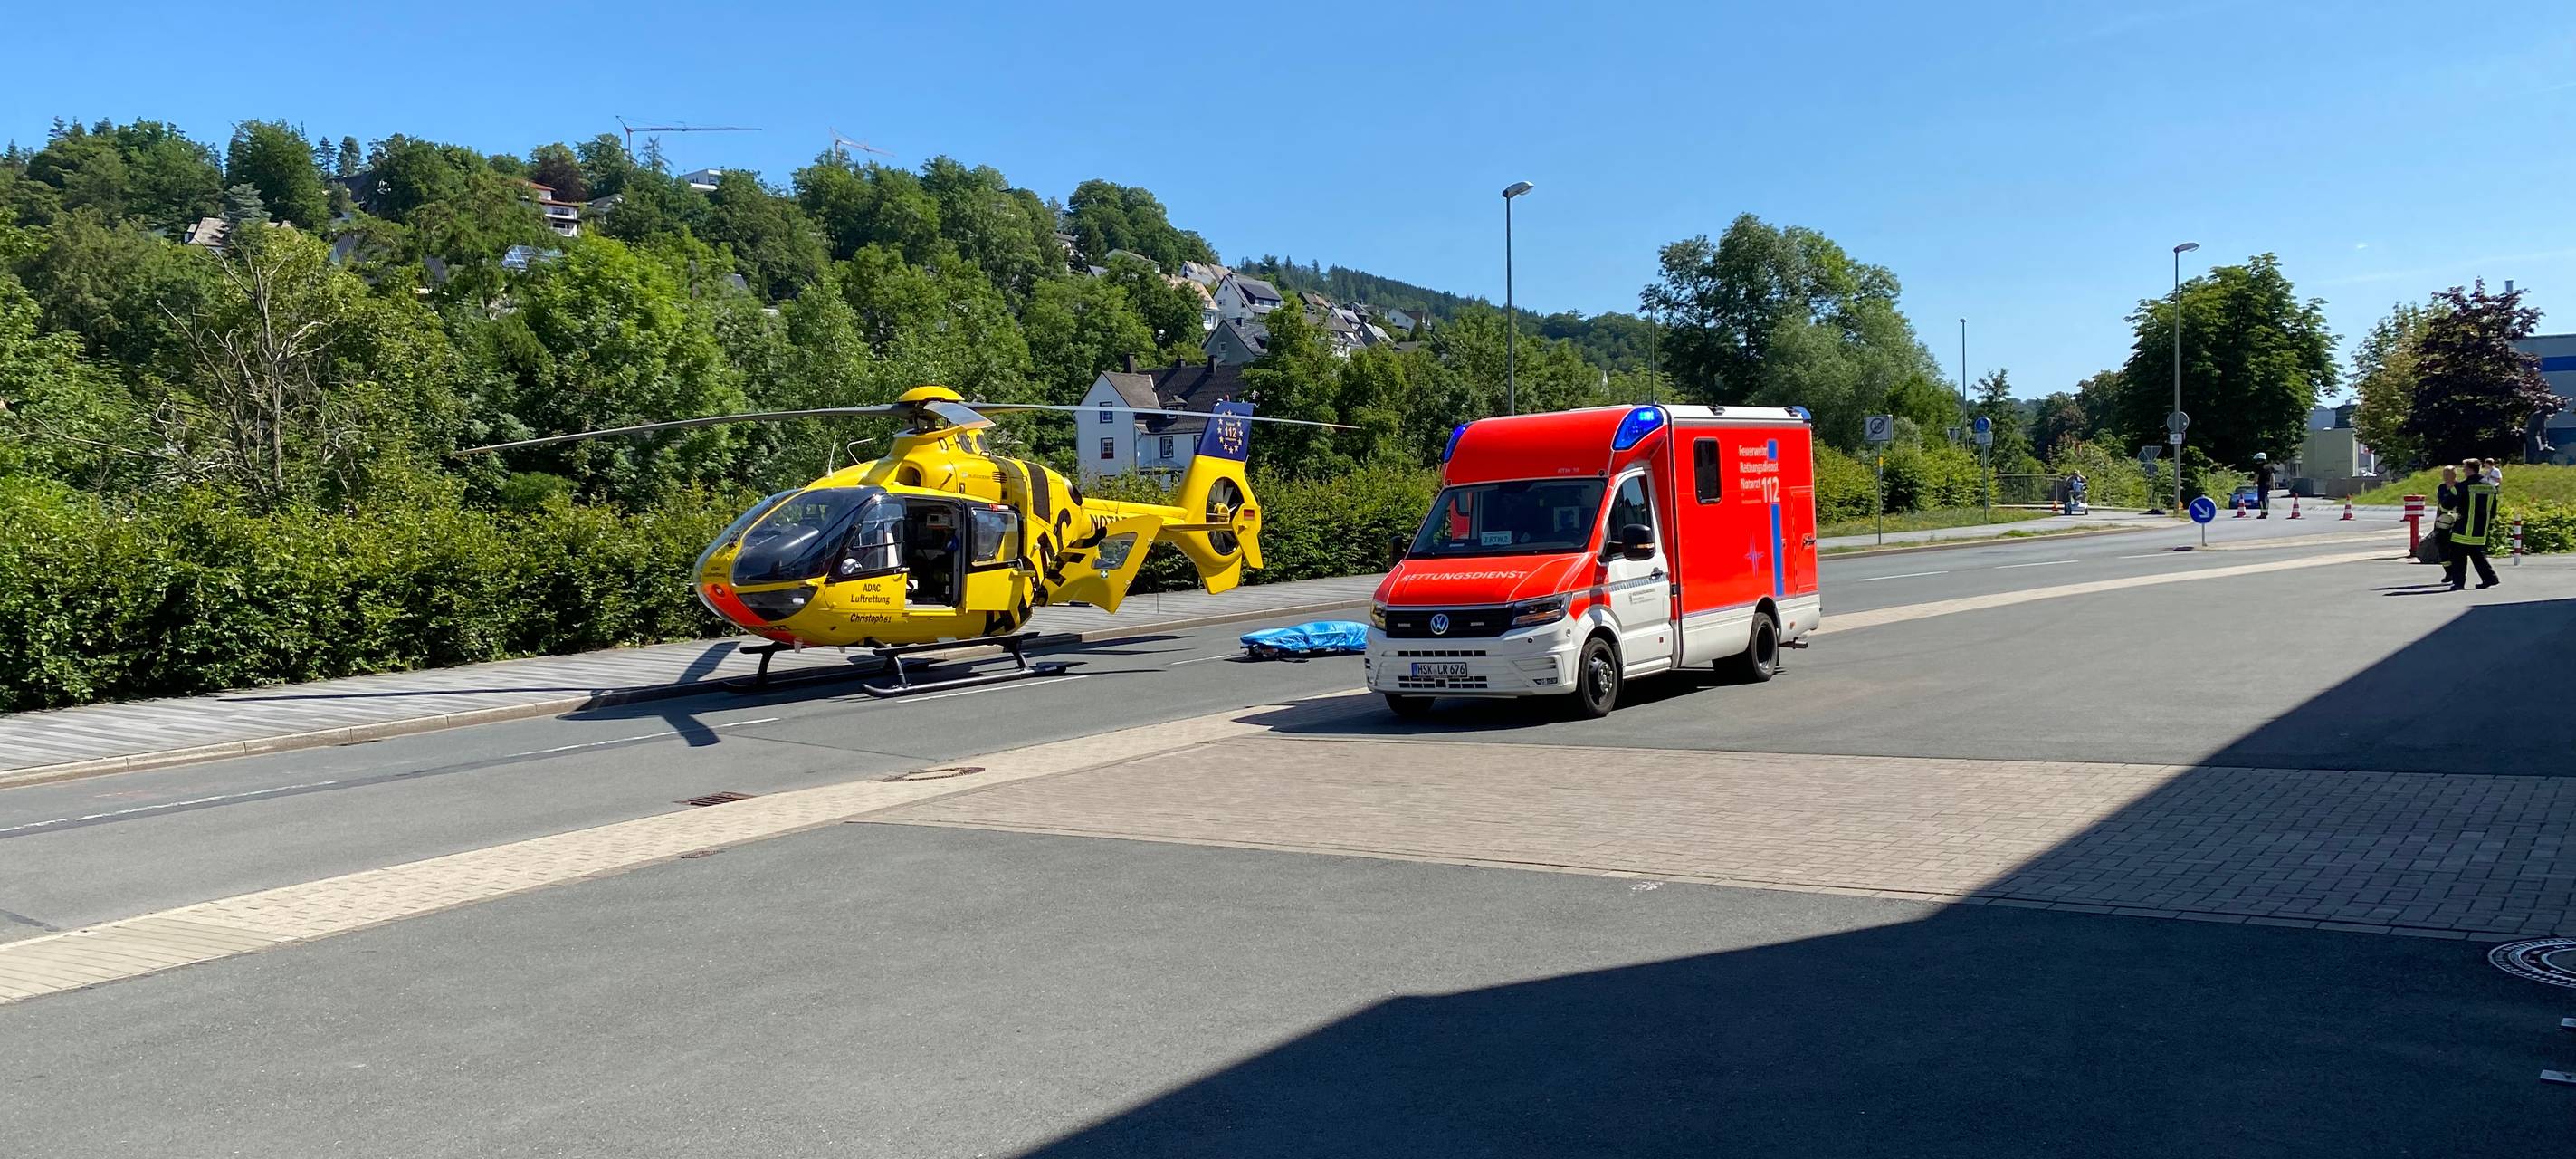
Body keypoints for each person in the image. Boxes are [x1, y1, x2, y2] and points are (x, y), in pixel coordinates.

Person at [2444, 458, 2501, 590]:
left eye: (2464, 468)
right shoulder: (2491, 487)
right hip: (2481, 529)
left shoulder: (2462, 487)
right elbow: (2493, 510)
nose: (2463, 470)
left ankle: (2458, 582)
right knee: (2477, 554)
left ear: (2469, 469)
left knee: (2458, 555)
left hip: (2463, 528)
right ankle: (2490, 578)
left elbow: (2446, 505)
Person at [2251, 453, 2275, 517]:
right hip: (2268, 484)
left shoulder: (2259, 467)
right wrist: (2272, 485)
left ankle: (2263, 513)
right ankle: (2266, 511)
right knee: (2266, 497)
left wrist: (2254, 483)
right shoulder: (2269, 467)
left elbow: (2257, 476)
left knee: (2261, 499)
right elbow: (2272, 476)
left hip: (2262, 484)